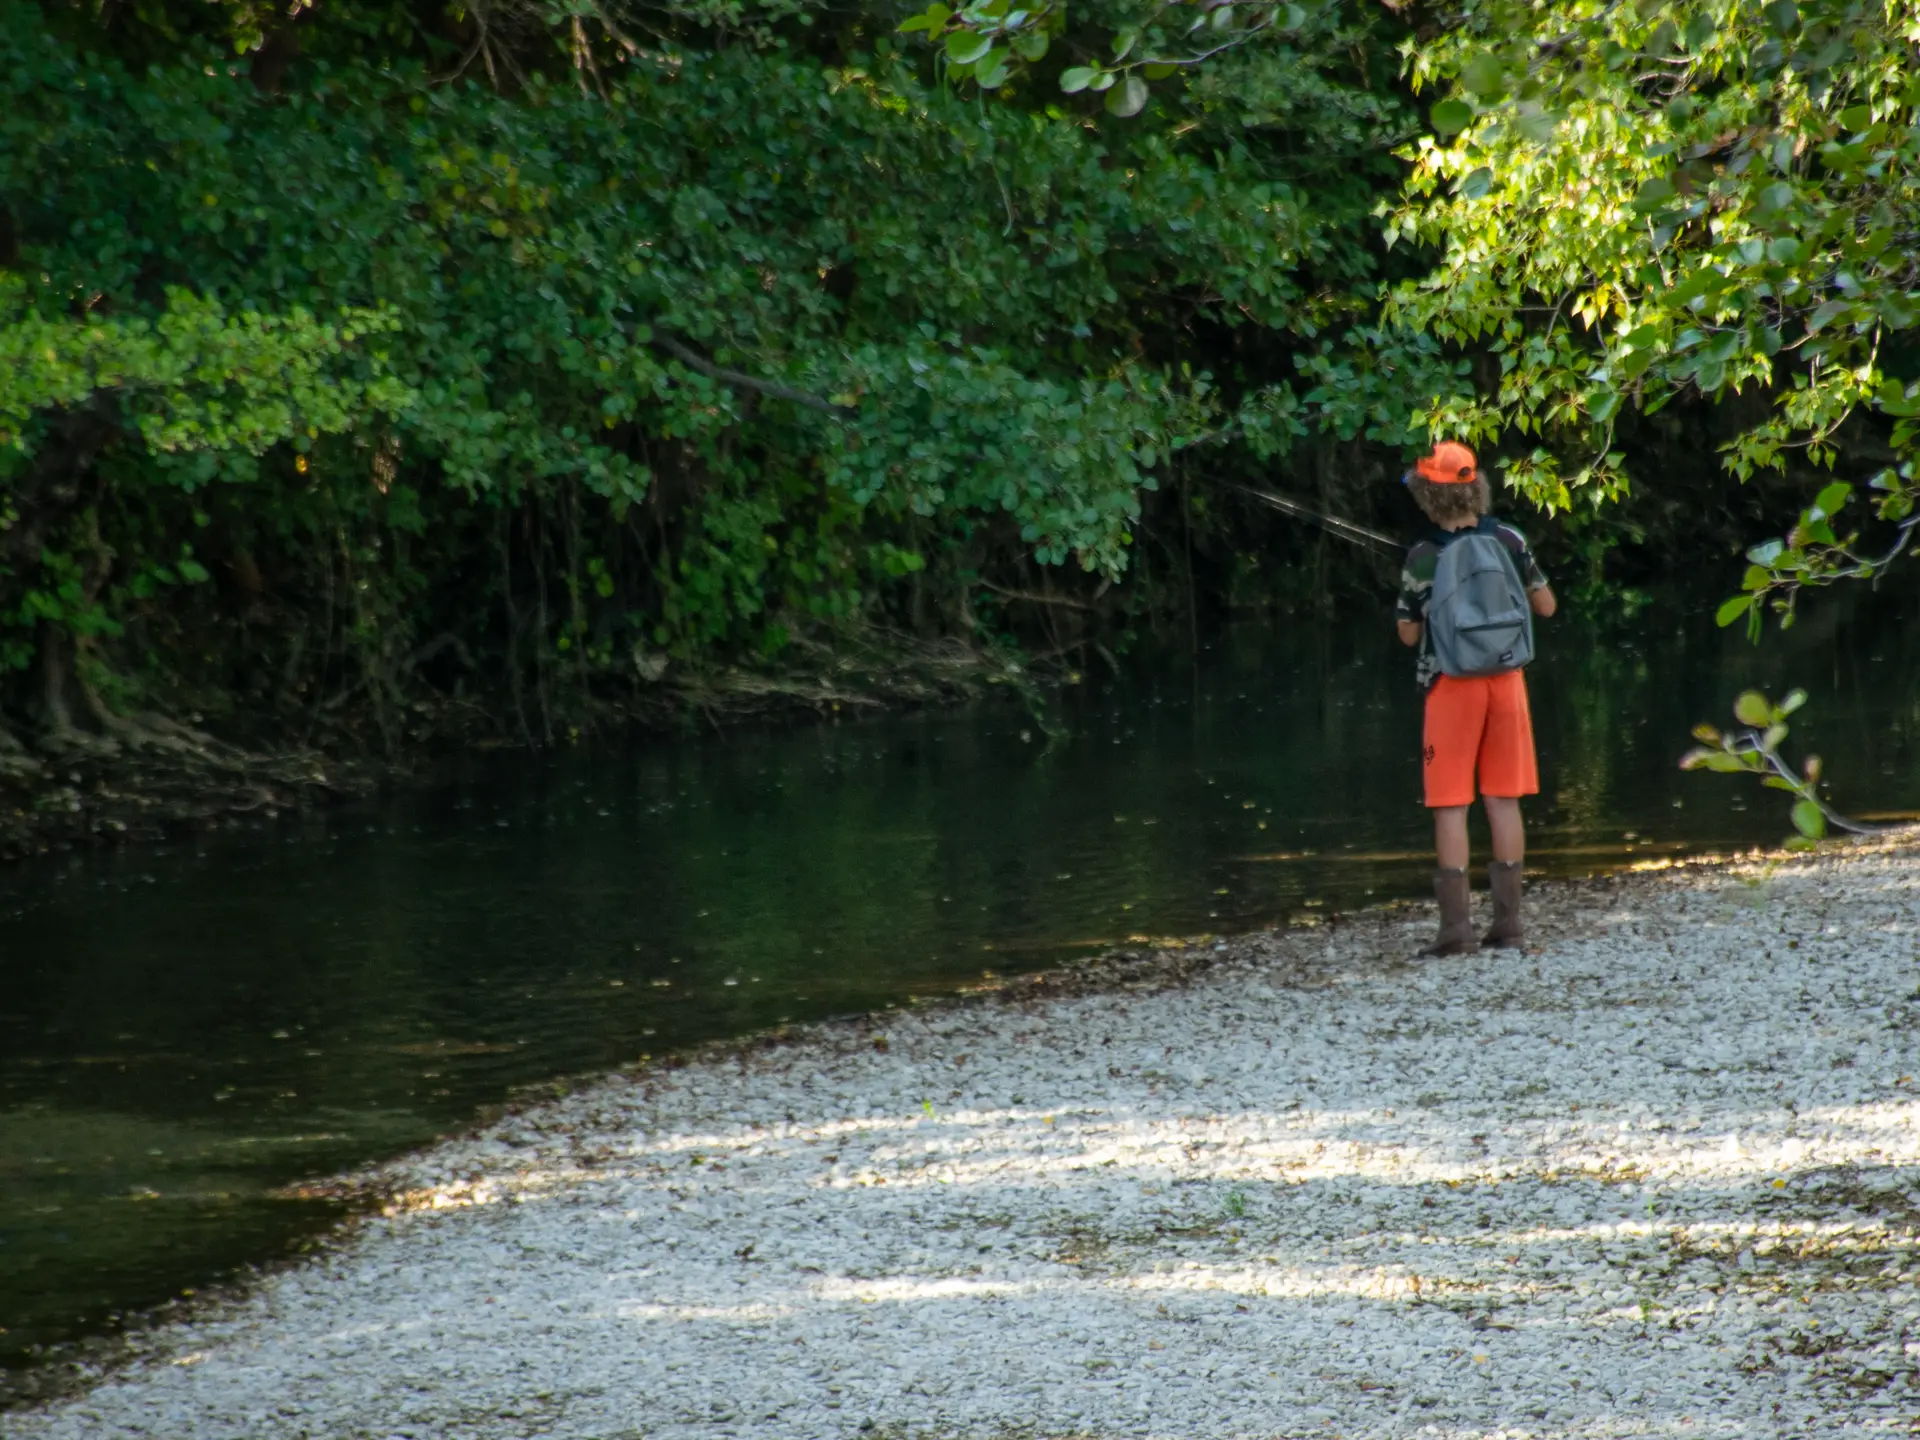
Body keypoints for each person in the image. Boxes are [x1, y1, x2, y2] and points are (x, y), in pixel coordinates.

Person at [1394, 442, 1557, 955]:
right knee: (1502, 800)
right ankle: (1509, 928)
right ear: (1477, 486)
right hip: (1507, 682)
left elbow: (1407, 635)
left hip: (1451, 687)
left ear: (1426, 493)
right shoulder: (1509, 538)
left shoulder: (1422, 555)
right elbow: (1547, 607)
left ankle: (1456, 932)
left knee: (1450, 806)